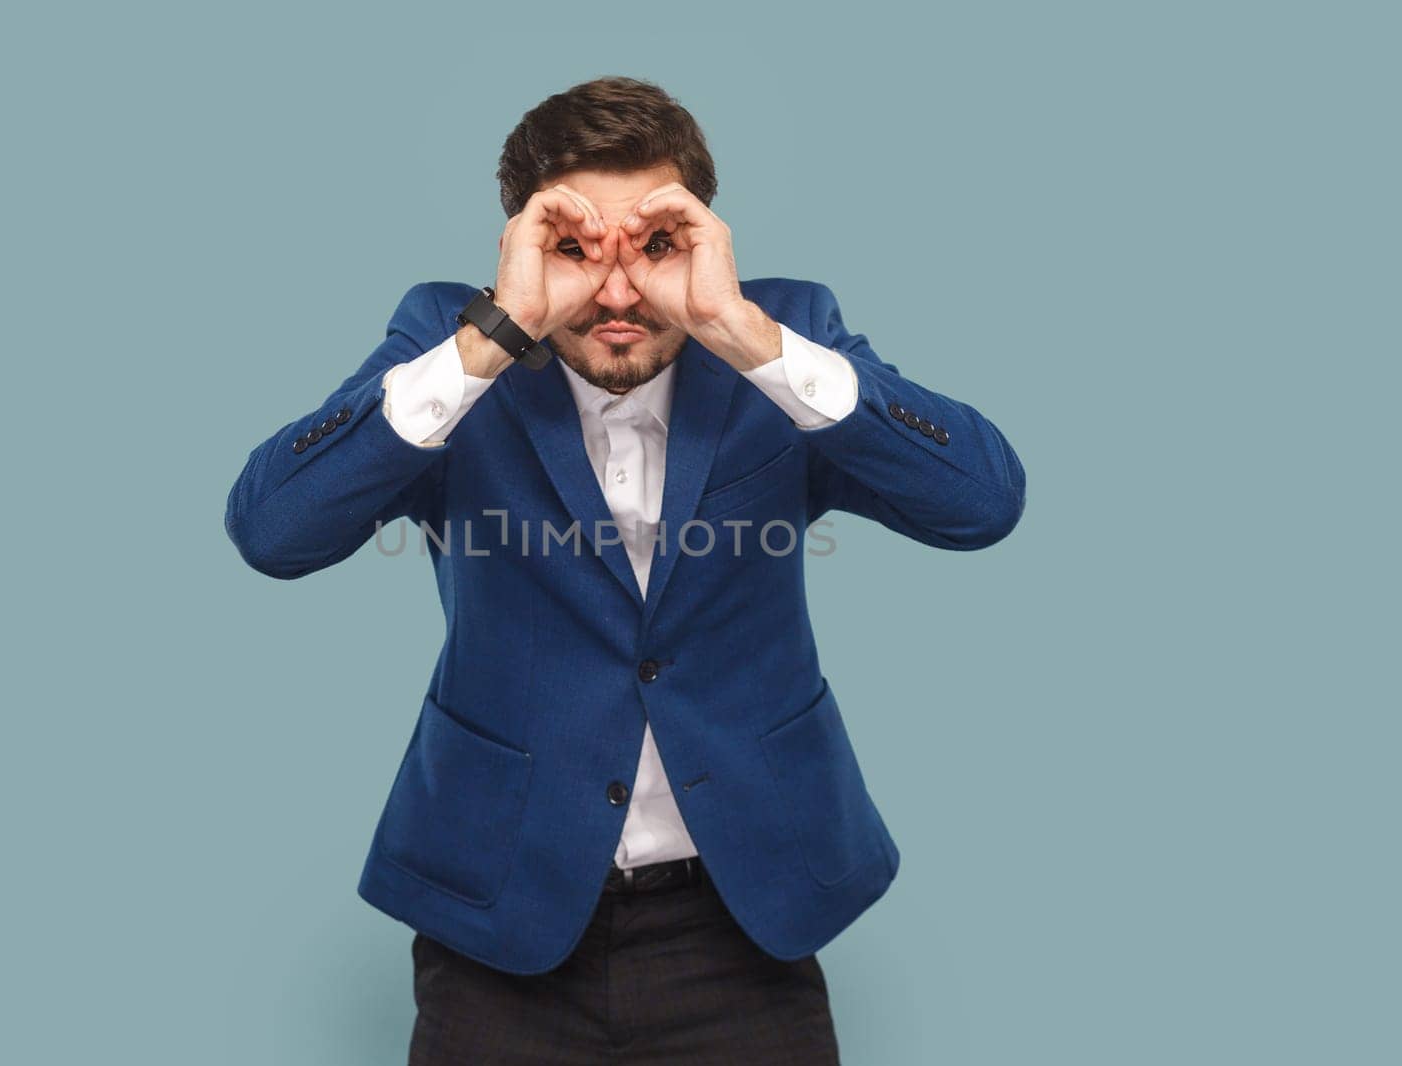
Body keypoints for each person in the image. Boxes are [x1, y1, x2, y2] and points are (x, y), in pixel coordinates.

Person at [224, 75, 1025, 1065]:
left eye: (652, 245)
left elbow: (980, 503)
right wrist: (495, 335)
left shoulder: (780, 328)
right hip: (499, 913)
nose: (615, 292)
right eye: (574, 247)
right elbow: (272, 529)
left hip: (742, 912)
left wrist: (741, 333)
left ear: (704, 233)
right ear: (521, 242)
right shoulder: (452, 339)